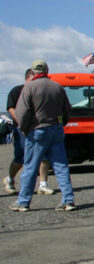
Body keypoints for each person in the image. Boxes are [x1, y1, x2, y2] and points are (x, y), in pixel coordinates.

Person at [10, 59, 76, 212]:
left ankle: (23, 201)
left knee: (30, 167)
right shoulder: (58, 87)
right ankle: (68, 200)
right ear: (47, 70)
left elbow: (23, 112)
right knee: (61, 166)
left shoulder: (29, 87)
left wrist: (25, 128)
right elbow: (67, 110)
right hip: (56, 129)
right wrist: (61, 124)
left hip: (37, 130)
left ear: (33, 72)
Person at [4, 69, 54, 195]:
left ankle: (43, 184)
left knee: (43, 156)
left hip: (37, 128)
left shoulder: (38, 91)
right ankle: (10, 179)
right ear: (28, 77)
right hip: (20, 129)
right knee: (20, 158)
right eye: (35, 77)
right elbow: (11, 108)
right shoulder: (16, 91)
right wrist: (21, 121)